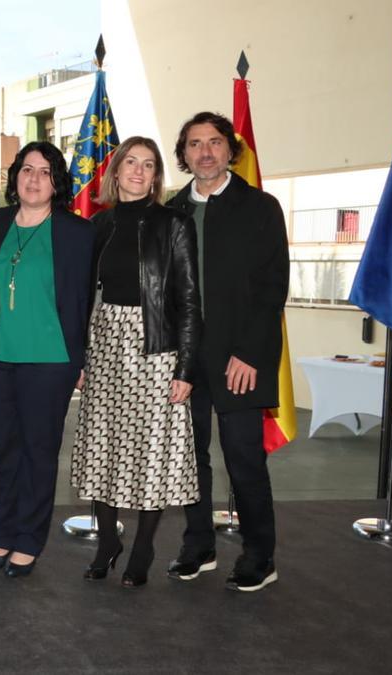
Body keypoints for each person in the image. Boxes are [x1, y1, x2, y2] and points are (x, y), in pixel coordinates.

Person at [70, 137, 202, 588]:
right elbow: (86, 295)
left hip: (156, 351)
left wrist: (185, 368)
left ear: (156, 176)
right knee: (103, 446)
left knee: (150, 453)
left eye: (149, 165)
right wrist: (83, 356)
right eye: (131, 162)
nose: (139, 171)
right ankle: (108, 541)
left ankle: (143, 547)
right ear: (117, 169)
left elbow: (188, 299)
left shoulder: (175, 224)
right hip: (105, 343)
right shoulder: (98, 224)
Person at [165, 112, 289, 592]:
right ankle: (199, 546)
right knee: (190, 460)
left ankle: (260, 555)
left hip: (241, 358)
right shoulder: (172, 211)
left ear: (229, 149)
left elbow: (271, 288)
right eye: (195, 144)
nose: (205, 152)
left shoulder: (260, 207)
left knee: (244, 460)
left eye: (214, 142)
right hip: (187, 360)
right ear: (185, 154)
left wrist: (250, 354)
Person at [0, 141, 95, 578]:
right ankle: (4, 533)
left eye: (45, 172)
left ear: (56, 181)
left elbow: (85, 301)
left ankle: (29, 541)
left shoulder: (77, 232)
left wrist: (83, 359)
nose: (34, 178)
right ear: (16, 177)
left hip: (51, 359)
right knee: (4, 448)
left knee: (39, 451)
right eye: (27, 169)